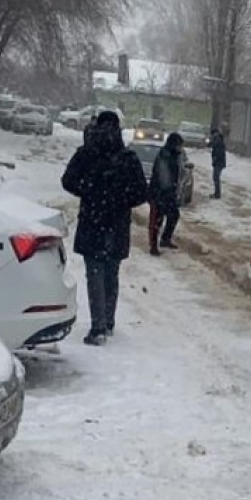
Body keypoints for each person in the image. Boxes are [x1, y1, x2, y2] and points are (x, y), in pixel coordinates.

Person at [61, 111, 149, 345]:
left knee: (95, 273)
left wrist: (89, 191)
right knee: (111, 273)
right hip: (117, 223)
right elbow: (141, 192)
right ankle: (108, 321)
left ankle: (98, 326)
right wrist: (121, 199)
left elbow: (67, 181)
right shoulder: (128, 157)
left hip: (92, 219)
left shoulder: (87, 154)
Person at [148, 132, 184, 256]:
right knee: (156, 220)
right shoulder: (164, 155)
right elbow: (163, 176)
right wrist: (166, 190)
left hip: (169, 193)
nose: (181, 148)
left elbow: (178, 174)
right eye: (179, 145)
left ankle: (165, 239)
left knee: (174, 215)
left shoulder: (176, 156)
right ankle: (153, 246)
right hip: (158, 193)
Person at [210, 127, 226, 199]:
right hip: (219, 162)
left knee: (216, 177)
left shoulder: (218, 140)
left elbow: (218, 152)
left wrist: (215, 158)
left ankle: (217, 194)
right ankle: (217, 193)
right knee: (216, 178)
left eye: (212, 135)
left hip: (218, 162)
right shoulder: (217, 139)